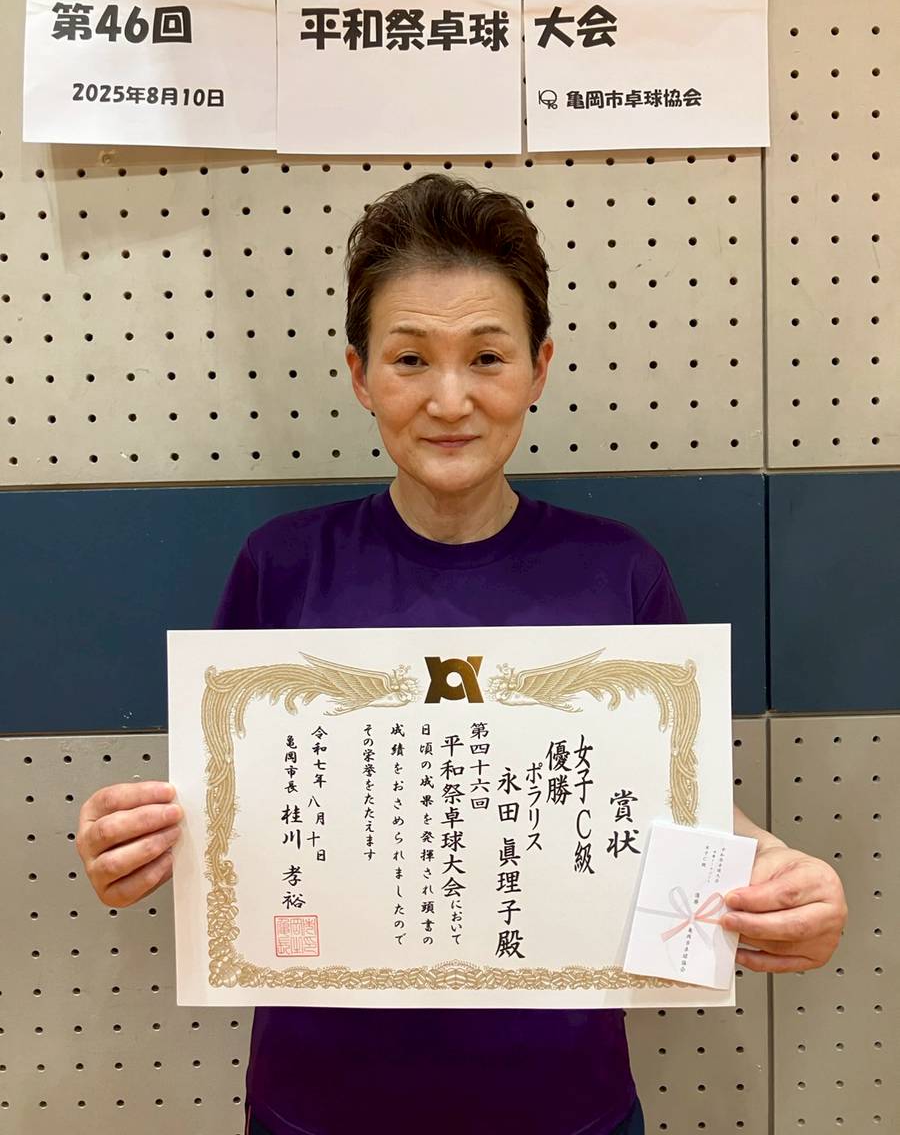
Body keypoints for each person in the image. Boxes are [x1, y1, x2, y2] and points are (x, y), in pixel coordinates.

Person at [77, 173, 848, 1135]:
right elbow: (226, 808)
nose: (451, 399)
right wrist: (136, 838)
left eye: (487, 356)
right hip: (317, 1108)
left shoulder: (619, 572)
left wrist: (779, 874)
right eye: (410, 358)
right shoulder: (282, 568)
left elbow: (674, 805)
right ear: (360, 373)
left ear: (539, 367)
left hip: (567, 1107)